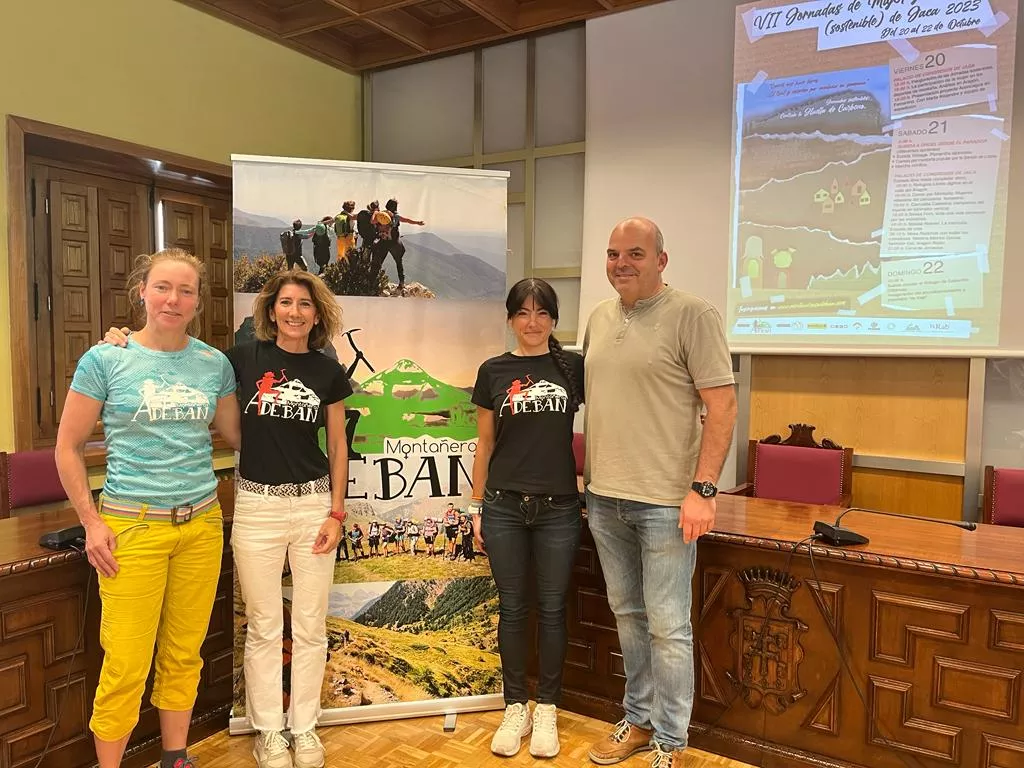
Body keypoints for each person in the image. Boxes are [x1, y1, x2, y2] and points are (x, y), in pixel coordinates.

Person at [102, 267, 352, 768]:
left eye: (304, 304)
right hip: (256, 507)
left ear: (316, 314)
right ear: (271, 310)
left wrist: (337, 513)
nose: (295, 312)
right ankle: (269, 732)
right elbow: (179, 357)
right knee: (263, 626)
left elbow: (339, 445)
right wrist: (124, 339)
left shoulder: (329, 371)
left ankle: (305, 728)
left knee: (310, 625)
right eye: (286, 303)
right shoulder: (239, 359)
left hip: (313, 505)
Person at [55, 248, 241, 768]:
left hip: (201, 525)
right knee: (126, 663)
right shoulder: (105, 359)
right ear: (142, 291)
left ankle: (174, 757)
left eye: (185, 290)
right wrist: (91, 522)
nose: (172, 299)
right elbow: (67, 447)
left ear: (198, 301)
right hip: (131, 529)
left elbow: (238, 436)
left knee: (184, 653)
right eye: (162, 287)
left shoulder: (214, 364)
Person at [582, 217, 736, 768]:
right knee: (628, 615)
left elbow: (723, 406)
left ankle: (671, 742)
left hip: (667, 503)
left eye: (635, 253)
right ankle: (639, 719)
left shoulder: (693, 315)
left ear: (661, 260)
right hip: (605, 498)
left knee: (669, 627)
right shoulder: (599, 318)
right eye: (613, 253)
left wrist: (703, 490)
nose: (621, 263)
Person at [470, 277, 584, 759]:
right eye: (522, 312)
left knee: (553, 610)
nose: (532, 322)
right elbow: (485, 444)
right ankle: (515, 706)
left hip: (559, 508)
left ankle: (548, 708)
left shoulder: (574, 367)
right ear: (510, 319)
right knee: (513, 609)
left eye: (541, 313)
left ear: (554, 319)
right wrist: (476, 506)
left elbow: (604, 424)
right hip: (503, 506)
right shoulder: (493, 370)